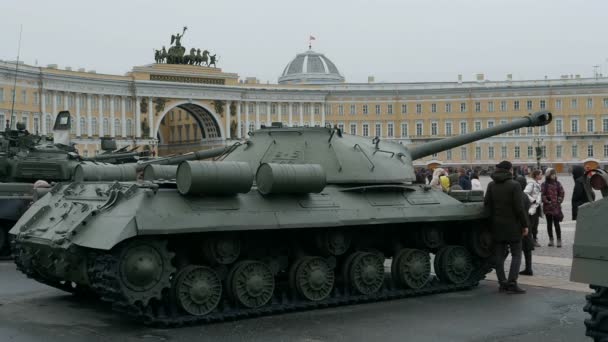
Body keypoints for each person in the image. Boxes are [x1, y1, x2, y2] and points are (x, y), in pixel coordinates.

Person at [484, 160, 529, 294]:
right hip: (513, 226)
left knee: (498, 255)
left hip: (497, 225)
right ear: (509, 170)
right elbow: (519, 208)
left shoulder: (491, 184)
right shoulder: (514, 185)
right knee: (516, 254)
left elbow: (487, 205)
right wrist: (525, 224)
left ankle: (502, 283)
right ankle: (512, 282)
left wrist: (490, 223)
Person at [516, 175, 534, 276]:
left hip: (521, 224)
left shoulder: (518, 196)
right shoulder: (525, 196)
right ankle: (528, 268)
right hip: (527, 222)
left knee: (519, 247)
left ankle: (526, 269)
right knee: (527, 247)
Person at [541, 168, 565, 247]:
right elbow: (542, 195)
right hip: (548, 207)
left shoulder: (558, 184)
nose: (554, 176)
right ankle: (551, 239)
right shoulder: (544, 184)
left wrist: (559, 200)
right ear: (548, 175)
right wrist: (547, 201)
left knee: (557, 223)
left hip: (556, 207)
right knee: (549, 224)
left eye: (554, 174)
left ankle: (559, 239)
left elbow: (561, 192)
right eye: (552, 174)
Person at [524, 170, 543, 247]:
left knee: (535, 225)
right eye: (541, 174)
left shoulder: (537, 183)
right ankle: (529, 241)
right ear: (536, 175)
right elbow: (525, 193)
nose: (542, 176)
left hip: (537, 207)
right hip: (532, 208)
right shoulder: (531, 183)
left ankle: (534, 239)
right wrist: (533, 200)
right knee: (531, 225)